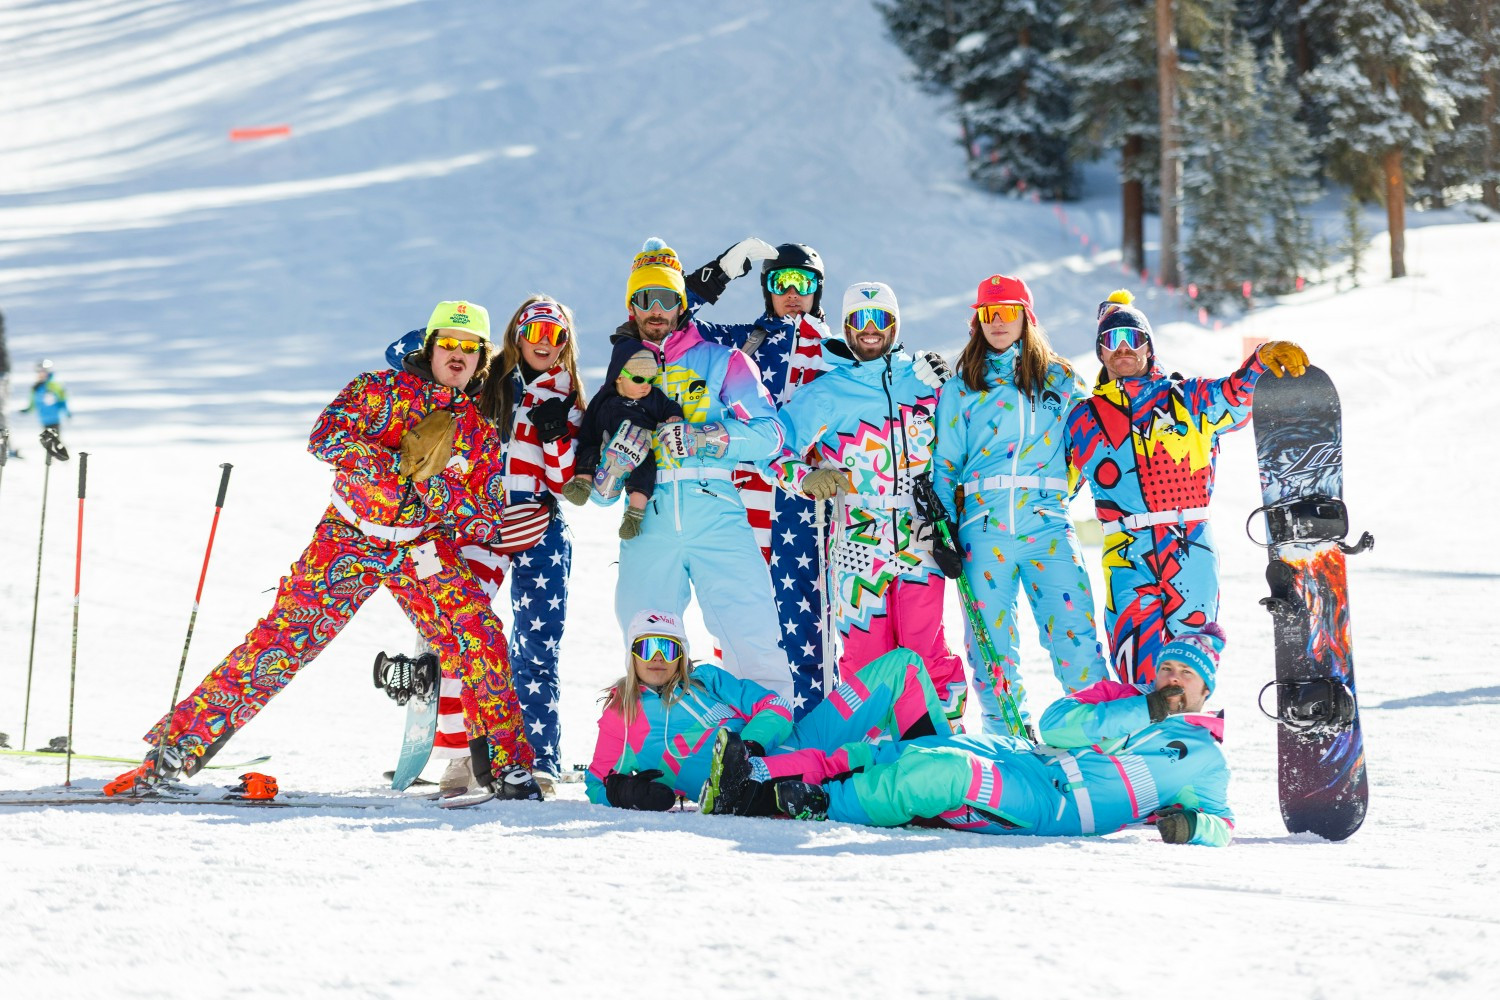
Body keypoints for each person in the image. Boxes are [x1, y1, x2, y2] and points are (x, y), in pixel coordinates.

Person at [115, 301, 541, 801]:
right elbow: (325, 437)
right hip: (349, 538)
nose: (457, 354)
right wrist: (392, 463)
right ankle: (178, 746)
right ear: (429, 347)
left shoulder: (478, 429)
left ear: (480, 362)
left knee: (479, 635)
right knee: (282, 641)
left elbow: (482, 512)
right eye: (448, 342)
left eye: (469, 348)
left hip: (419, 547)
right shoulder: (375, 389)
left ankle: (510, 765)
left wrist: (439, 489)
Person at [709, 625, 1235, 848]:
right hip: (1022, 756)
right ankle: (764, 767)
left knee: (943, 773)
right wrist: (1137, 708)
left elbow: (1224, 824)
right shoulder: (1118, 696)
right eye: (1167, 668)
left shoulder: (1204, 756)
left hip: (1053, 808)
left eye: (1186, 676)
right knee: (900, 689)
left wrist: (1194, 826)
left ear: (1205, 690)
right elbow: (1054, 726)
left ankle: (812, 802)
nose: (1172, 680)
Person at [384, 296, 586, 794]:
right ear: (516, 334)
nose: (543, 342)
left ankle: (538, 757)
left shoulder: (574, 396)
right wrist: (424, 354)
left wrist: (558, 435)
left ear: (565, 343)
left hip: (540, 524)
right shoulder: (490, 381)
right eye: (533, 331)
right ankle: (459, 756)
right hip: (482, 523)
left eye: (554, 335)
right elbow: (411, 358)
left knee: (536, 644)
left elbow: (567, 482)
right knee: (461, 629)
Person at [1066, 290, 1309, 684]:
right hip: (1126, 551)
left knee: (1192, 652)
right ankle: (1139, 737)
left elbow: (1233, 396)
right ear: (1099, 352)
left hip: (1189, 543)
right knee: (1133, 659)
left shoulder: (1187, 398)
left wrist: (1262, 358)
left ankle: (1188, 736)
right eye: (1111, 340)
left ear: (1149, 346)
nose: (1123, 348)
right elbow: (1055, 483)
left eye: (1133, 337)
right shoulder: (1082, 417)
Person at [770, 281, 966, 726]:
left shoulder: (925, 379)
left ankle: (942, 745)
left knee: (926, 647)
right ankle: (869, 756)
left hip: (922, 536)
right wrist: (806, 477)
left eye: (880, 320)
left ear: (896, 325)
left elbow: (963, 436)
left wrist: (951, 383)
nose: (870, 330)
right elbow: (772, 453)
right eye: (860, 320)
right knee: (865, 653)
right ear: (846, 327)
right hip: (860, 539)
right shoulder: (827, 391)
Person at [610, 237, 794, 700]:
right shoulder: (622, 374)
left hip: (715, 511)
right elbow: (598, 488)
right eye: (645, 299)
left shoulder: (723, 360)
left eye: (667, 299)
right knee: (647, 649)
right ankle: (658, 755)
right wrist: (611, 468)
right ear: (632, 307)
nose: (657, 310)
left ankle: (770, 750)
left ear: (682, 304)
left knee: (752, 635)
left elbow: (771, 434)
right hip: (647, 521)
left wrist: (709, 437)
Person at [931, 275, 1110, 735]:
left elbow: (1096, 438)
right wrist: (944, 530)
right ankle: (1009, 745)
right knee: (990, 649)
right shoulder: (961, 387)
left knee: (1075, 636)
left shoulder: (1060, 379)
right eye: (988, 313)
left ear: (1026, 317)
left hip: (1047, 526)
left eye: (1007, 311)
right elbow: (946, 463)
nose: (997, 322)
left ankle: (1097, 741)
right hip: (983, 529)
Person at [586, 609, 948, 811]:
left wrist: (750, 746)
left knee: (904, 666)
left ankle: (943, 764)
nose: (659, 660)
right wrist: (624, 793)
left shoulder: (706, 678)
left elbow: (774, 704)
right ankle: (937, 786)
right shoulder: (624, 713)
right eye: (647, 649)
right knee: (867, 761)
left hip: (801, 738)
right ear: (631, 656)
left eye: (668, 648)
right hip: (759, 781)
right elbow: (596, 783)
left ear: (682, 653)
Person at [685, 240, 835, 716]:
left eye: (803, 283)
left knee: (808, 622)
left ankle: (813, 732)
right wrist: (721, 273)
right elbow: (674, 322)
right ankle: (748, 730)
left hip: (808, 502)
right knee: (745, 617)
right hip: (745, 496)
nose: (792, 293)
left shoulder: (836, 350)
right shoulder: (745, 340)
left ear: (818, 290)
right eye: (780, 283)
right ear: (766, 289)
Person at [564, 339, 682, 539]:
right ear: (619, 376)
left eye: (650, 380)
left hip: (638, 450)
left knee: (646, 471)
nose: (646, 386)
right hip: (605, 445)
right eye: (639, 379)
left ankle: (634, 517)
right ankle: (582, 485)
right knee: (589, 451)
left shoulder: (653, 397)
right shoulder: (604, 398)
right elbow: (590, 422)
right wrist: (586, 443)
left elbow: (669, 406)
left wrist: (674, 416)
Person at [21, 358, 70, 447]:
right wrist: (28, 410)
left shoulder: (54, 385)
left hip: (54, 418)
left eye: (43, 372)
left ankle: (61, 456)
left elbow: (63, 399)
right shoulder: (36, 387)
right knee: (47, 441)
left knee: (56, 440)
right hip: (43, 418)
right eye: (39, 372)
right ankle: (50, 458)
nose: (40, 374)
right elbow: (33, 402)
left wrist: (67, 412)